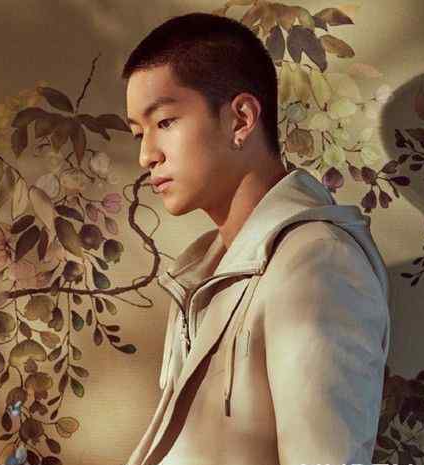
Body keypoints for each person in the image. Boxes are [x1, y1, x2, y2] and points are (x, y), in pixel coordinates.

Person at [122, 12, 390, 465]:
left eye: (164, 122)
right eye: (138, 133)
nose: (147, 154)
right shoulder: (202, 271)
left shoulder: (318, 262)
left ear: (241, 119)